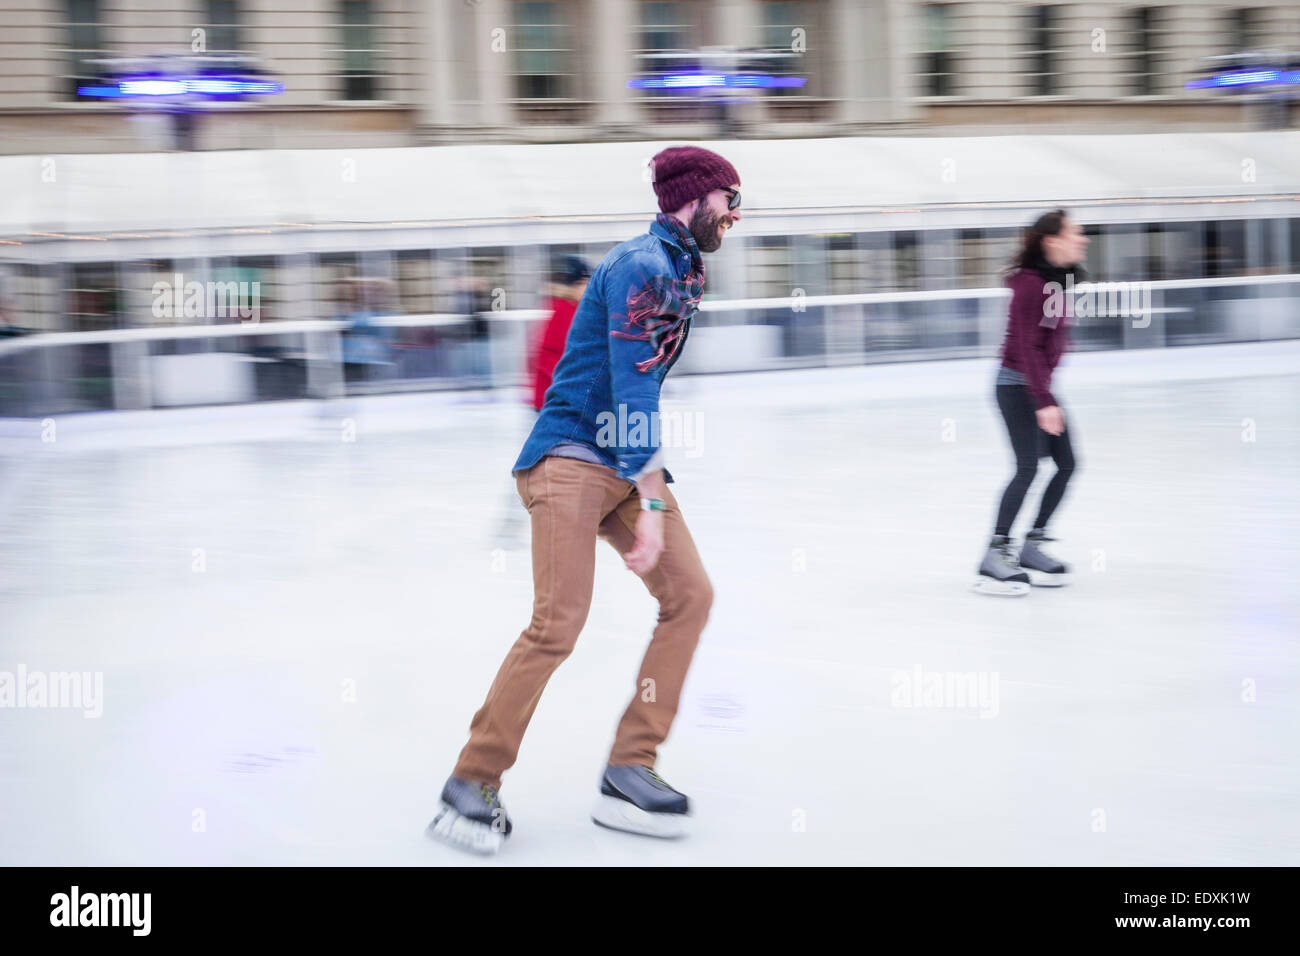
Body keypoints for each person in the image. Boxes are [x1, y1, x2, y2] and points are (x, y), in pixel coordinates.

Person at [428, 146, 743, 854]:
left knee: (691, 594)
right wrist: (655, 504)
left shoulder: (683, 267)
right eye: (729, 199)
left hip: (623, 463)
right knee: (558, 624)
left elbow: (641, 389)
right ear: (691, 200)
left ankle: (631, 767)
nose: (736, 214)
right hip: (570, 458)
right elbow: (633, 385)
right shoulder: (640, 264)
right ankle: (471, 780)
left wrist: (646, 486)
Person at [975, 209, 1089, 596]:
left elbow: (1047, 344)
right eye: (1076, 233)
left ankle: (1032, 545)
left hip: (1038, 387)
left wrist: (1045, 394)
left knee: (1067, 463)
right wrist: (1043, 400)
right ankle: (994, 555)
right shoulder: (1030, 286)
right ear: (1051, 240)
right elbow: (1026, 347)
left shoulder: (1056, 282)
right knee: (1027, 468)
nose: (1083, 239)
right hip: (1016, 387)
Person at [529, 255, 591, 412]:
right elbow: (546, 355)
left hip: (562, 399)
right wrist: (572, 385)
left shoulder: (573, 309)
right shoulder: (563, 311)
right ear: (573, 286)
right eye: (584, 283)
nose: (588, 287)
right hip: (555, 402)